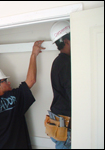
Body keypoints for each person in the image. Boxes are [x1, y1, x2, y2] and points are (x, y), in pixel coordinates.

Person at [0, 41, 45, 149]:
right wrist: (34, 54)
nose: (9, 82)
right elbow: (31, 80)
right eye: (5, 80)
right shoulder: (13, 98)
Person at [48, 20, 71, 149]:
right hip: (65, 123)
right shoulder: (66, 63)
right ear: (67, 41)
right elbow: (72, 94)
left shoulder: (57, 61)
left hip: (58, 119)